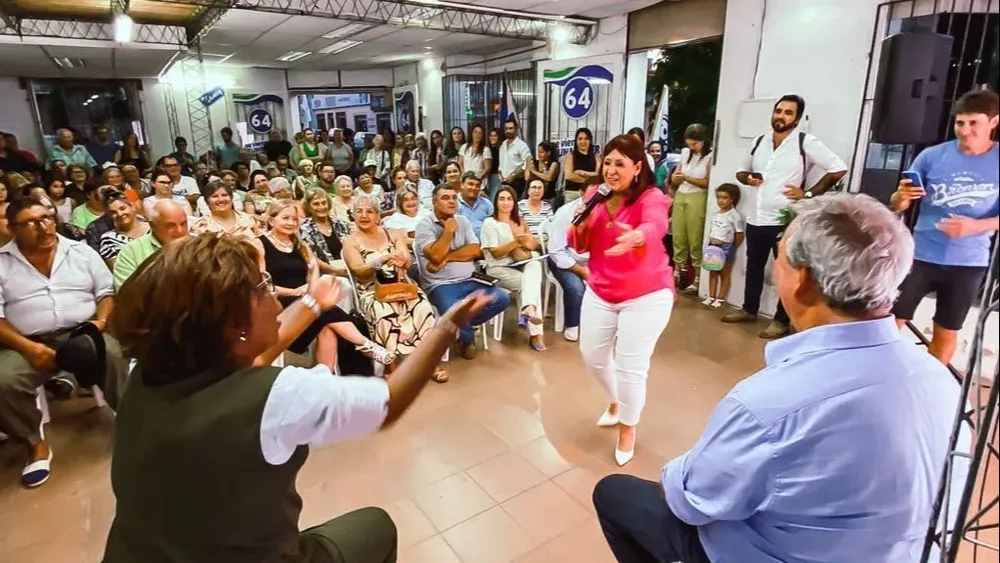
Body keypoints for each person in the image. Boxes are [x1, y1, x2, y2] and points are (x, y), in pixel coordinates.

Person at [592, 193, 959, 563]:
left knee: (616, 494)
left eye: (779, 259)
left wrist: (684, 469)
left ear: (803, 281)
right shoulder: (940, 380)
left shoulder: (770, 405)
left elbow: (691, 503)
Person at [103, 232, 494, 563]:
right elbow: (388, 401)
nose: (275, 301)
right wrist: (446, 326)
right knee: (375, 528)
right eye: (263, 287)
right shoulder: (276, 397)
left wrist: (312, 303)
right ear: (233, 324)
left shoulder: (144, 374)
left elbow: (252, 354)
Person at [0, 196, 127, 487]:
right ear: (13, 228)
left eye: (46, 218)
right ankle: (34, 443)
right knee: (3, 381)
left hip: (83, 330)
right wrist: (28, 347)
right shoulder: (2, 263)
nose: (43, 227)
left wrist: (100, 323)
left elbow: (105, 293)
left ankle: (131, 422)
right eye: (32, 223)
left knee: (112, 354)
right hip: (25, 340)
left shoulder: (81, 252)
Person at [569, 134, 674, 466]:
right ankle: (617, 401)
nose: (611, 171)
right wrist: (581, 224)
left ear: (637, 167)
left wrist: (638, 236)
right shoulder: (595, 195)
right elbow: (579, 244)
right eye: (608, 163)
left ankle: (628, 427)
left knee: (631, 368)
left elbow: (656, 224)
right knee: (592, 355)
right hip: (602, 289)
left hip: (647, 294)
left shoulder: (651, 197)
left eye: (620, 164)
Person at [723, 94, 847, 339]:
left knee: (787, 272)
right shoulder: (760, 141)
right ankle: (749, 309)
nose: (781, 116)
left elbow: (838, 168)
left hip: (784, 220)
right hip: (756, 217)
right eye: (778, 111)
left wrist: (808, 193)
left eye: (788, 113)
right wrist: (748, 178)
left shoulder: (805, 142)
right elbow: (740, 171)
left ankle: (781, 321)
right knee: (754, 266)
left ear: (797, 119)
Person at [891, 89, 999, 366]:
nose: (965, 130)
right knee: (890, 323)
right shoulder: (932, 156)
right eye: (960, 123)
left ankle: (932, 382)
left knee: (947, 330)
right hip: (920, 255)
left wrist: (976, 226)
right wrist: (901, 197)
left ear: (993, 122)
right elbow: (898, 203)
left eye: (973, 123)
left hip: (968, 262)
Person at [250, 200, 393, 373]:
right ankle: (365, 344)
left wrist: (310, 289)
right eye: (285, 218)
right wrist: (294, 292)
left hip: (306, 298)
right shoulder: (259, 244)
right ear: (271, 220)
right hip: (279, 302)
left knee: (327, 325)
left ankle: (325, 377)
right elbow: (262, 283)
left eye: (294, 219)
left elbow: (313, 272)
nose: (291, 223)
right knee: (324, 311)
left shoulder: (300, 244)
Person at [342, 197, 442, 380]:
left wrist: (403, 261)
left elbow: (408, 262)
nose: (364, 216)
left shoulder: (393, 234)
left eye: (369, 211)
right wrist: (382, 260)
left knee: (423, 307)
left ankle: (430, 362)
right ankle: (391, 367)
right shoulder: (350, 241)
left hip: (401, 285)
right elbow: (359, 271)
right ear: (353, 215)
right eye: (359, 211)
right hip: (371, 290)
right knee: (383, 312)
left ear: (378, 216)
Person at [415, 184, 510, 359]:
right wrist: (448, 231)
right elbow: (435, 255)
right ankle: (467, 339)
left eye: (453, 197)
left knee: (502, 298)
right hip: (440, 285)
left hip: (470, 279)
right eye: (445, 198)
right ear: (434, 202)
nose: (451, 201)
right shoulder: (424, 225)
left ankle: (461, 326)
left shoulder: (463, 221)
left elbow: (475, 250)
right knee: (453, 311)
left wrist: (447, 258)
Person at [480, 186, 546, 351]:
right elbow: (495, 253)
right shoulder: (490, 223)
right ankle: (536, 333)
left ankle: (529, 309)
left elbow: (533, 246)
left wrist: (528, 241)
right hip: (498, 268)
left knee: (534, 264)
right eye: (502, 199)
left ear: (514, 202)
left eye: (509, 199)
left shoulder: (520, 221)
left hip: (519, 264)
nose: (505, 202)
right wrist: (516, 242)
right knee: (530, 284)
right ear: (496, 202)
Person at [669, 124, 713, 293]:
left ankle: (698, 278)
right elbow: (676, 178)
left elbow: (708, 182)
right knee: (678, 235)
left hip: (697, 195)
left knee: (695, 237)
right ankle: (677, 272)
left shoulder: (710, 155)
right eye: (689, 144)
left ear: (703, 141)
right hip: (682, 193)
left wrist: (686, 177)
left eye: (695, 144)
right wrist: (676, 177)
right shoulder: (685, 153)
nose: (692, 147)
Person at [113, 199, 189, 290]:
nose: (180, 231)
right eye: (171, 226)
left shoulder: (197, 245)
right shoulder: (130, 252)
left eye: (183, 224)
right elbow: (127, 294)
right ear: (153, 226)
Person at [546, 197, 588, 342]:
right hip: (563, 259)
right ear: (582, 193)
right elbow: (556, 251)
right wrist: (582, 271)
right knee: (576, 287)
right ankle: (572, 324)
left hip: (591, 260)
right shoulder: (565, 213)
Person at [703, 183, 745, 309]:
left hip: (726, 247)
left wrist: (732, 247)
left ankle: (721, 298)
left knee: (724, 272)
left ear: (732, 199)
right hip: (712, 246)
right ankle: (711, 296)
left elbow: (740, 234)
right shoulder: (715, 214)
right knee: (713, 270)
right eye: (719, 197)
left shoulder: (735, 216)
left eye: (725, 198)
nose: (721, 201)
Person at [189, 180, 260, 240]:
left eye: (224, 195)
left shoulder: (249, 220)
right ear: (207, 202)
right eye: (214, 196)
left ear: (231, 198)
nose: (220, 199)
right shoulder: (200, 226)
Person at [99, 191, 149, 269]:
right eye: (113, 212)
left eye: (122, 208)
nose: (119, 214)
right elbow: (118, 270)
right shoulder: (108, 239)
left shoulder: (153, 228)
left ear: (132, 206)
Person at [564, 127, 600, 202]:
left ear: (590, 140)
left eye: (586, 138)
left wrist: (582, 172)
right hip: (572, 193)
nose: (583, 141)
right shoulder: (571, 155)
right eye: (580, 139)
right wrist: (589, 181)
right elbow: (569, 176)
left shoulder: (596, 157)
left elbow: (598, 176)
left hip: (590, 193)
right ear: (576, 141)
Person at [498, 118, 531, 197]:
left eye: (510, 128)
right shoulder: (502, 145)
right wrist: (500, 173)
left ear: (516, 129)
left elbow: (527, 164)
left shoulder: (522, 145)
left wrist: (513, 175)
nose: (508, 131)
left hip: (517, 182)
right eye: (506, 129)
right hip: (504, 182)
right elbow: (501, 163)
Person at [456, 171, 493, 238]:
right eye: (470, 184)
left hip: (484, 242)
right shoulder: (454, 202)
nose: (474, 188)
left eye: (477, 185)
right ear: (462, 185)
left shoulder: (487, 204)